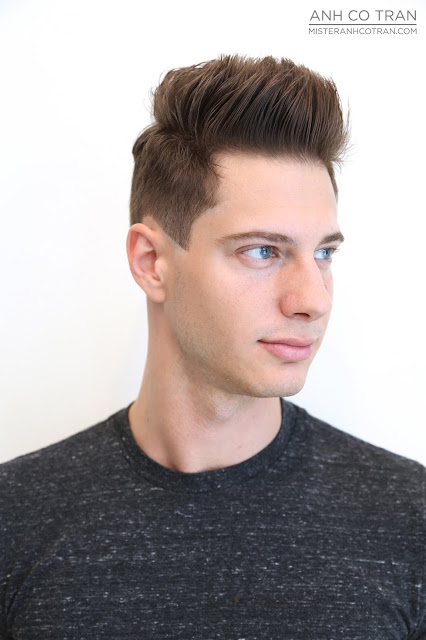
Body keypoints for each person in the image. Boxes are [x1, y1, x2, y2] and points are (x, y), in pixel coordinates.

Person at [0, 54, 425, 639]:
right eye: (262, 251)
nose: (313, 299)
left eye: (324, 252)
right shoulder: (16, 518)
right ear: (152, 262)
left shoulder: (409, 519)